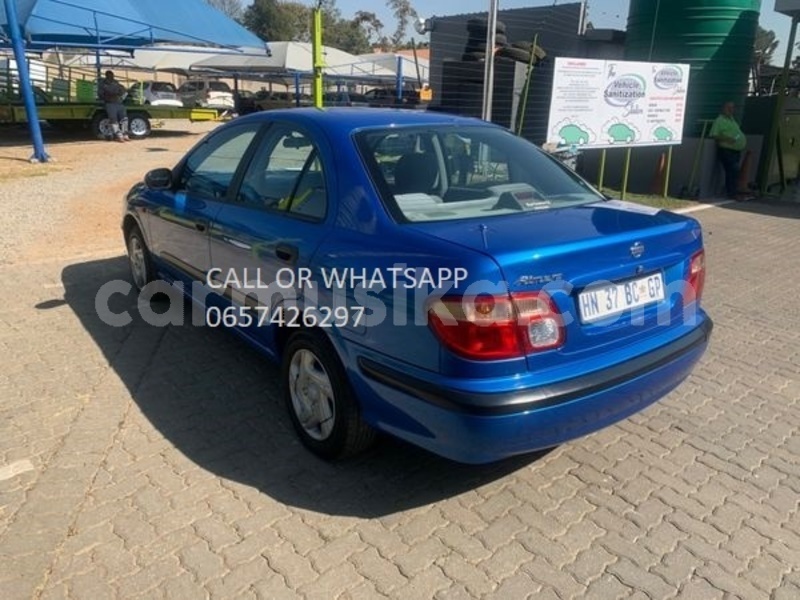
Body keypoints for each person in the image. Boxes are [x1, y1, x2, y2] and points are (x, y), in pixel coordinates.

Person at [709, 101, 747, 200]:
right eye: (728, 107)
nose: (731, 110)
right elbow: (714, 135)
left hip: (735, 151)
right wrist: (727, 139)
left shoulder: (732, 120)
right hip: (726, 150)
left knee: (734, 172)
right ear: (723, 109)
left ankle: (733, 191)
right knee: (733, 171)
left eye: (732, 108)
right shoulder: (719, 120)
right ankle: (732, 193)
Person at [98, 70, 129, 142]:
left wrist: (121, 97)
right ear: (106, 76)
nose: (111, 76)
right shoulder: (103, 84)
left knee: (124, 119)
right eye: (109, 75)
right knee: (113, 120)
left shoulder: (116, 83)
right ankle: (119, 135)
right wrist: (108, 96)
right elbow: (100, 94)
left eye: (112, 75)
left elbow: (124, 91)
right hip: (110, 103)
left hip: (119, 103)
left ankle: (125, 134)